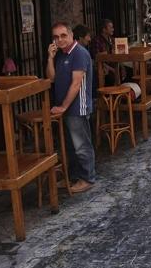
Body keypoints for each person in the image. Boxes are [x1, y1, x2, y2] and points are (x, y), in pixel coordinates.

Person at [46, 22, 96, 193]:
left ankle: (87, 178)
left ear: (71, 35)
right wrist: (50, 58)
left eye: (63, 35)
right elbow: (51, 78)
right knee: (69, 145)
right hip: (65, 108)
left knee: (81, 144)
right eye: (56, 37)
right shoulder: (60, 55)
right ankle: (75, 177)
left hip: (77, 107)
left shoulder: (79, 53)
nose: (59, 40)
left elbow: (76, 84)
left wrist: (63, 107)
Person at [90, 19, 117, 86]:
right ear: (104, 29)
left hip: (113, 64)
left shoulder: (111, 39)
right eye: (110, 27)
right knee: (111, 77)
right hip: (102, 67)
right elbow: (96, 57)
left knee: (129, 72)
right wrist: (112, 69)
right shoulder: (97, 40)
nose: (113, 29)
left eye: (112, 27)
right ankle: (109, 95)